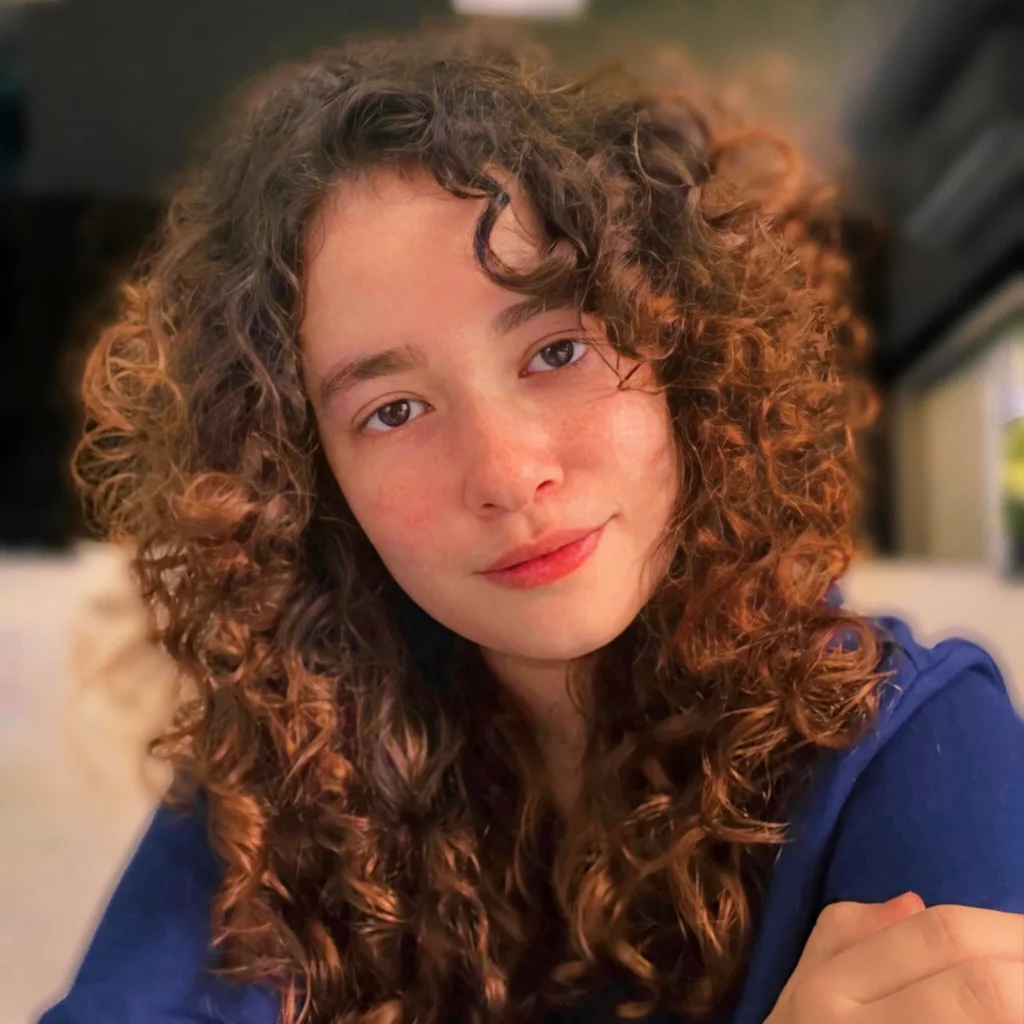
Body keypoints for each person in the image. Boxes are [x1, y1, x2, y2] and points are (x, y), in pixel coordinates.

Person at [39, 22, 1024, 1024]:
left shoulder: (904, 740)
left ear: (679, 361)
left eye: (556, 351)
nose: (508, 475)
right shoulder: (291, 772)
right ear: (312, 485)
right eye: (393, 411)